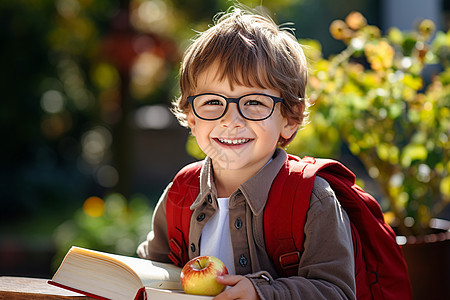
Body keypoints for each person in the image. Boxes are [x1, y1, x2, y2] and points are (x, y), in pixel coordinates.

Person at [137, 6, 356, 300]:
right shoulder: (180, 193)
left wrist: (263, 293)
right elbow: (152, 270)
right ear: (191, 117)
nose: (230, 120)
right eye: (213, 102)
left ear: (289, 120)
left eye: (254, 101)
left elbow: (336, 292)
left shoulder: (312, 199)